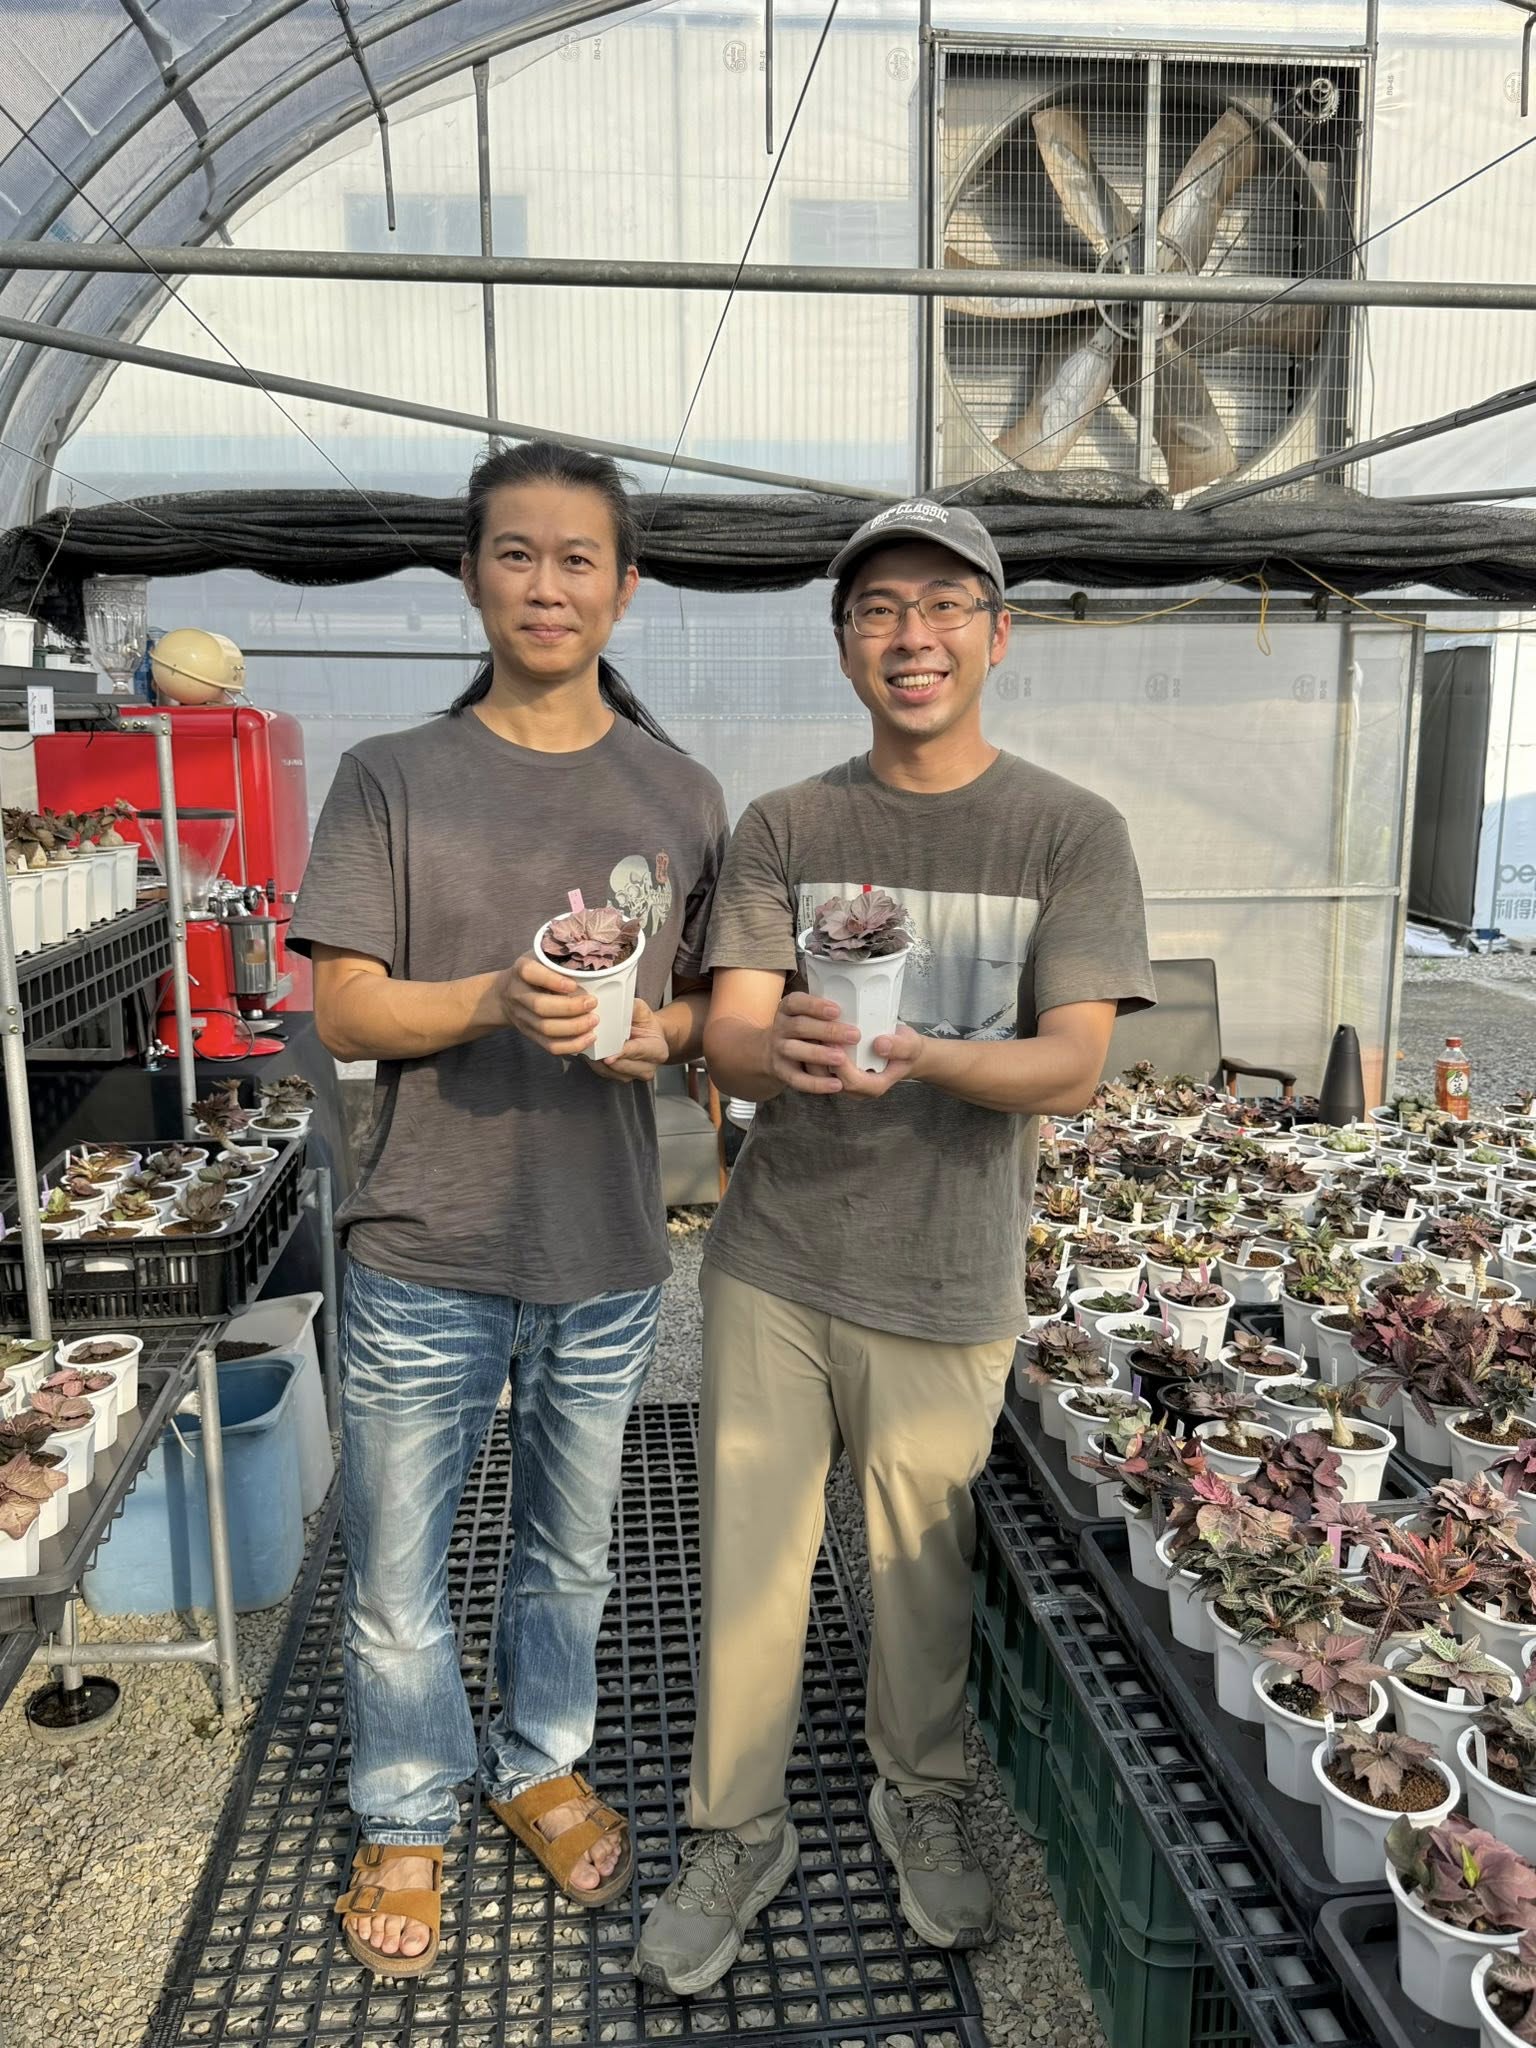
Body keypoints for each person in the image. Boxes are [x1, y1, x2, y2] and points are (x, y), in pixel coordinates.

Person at [634, 498, 1154, 1995]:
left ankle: (917, 1792)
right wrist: (775, 1046)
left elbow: (1073, 1064)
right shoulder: (789, 826)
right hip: (777, 1259)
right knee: (752, 1561)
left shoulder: (1068, 831)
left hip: (946, 1270)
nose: (911, 636)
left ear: (998, 635)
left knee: (920, 1566)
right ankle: (736, 1827)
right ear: (844, 641)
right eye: (878, 610)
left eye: (943, 607)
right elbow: (731, 1032)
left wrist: (921, 1053)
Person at [290, 440, 728, 1979]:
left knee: (570, 1551)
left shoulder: (680, 792)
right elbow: (344, 1010)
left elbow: (711, 1012)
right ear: (471, 575)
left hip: (604, 1245)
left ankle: (538, 1761)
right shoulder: (392, 777)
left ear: (626, 585)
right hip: (427, 1241)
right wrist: (489, 996)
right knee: (397, 1568)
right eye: (517, 554)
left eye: (578, 557)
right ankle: (406, 1802)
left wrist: (658, 1031)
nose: (548, 584)